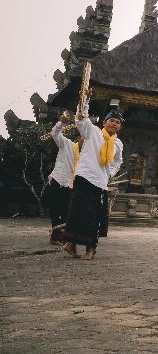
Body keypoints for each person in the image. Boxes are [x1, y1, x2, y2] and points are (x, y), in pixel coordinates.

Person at [62, 106, 124, 261]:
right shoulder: (93, 132)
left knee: (94, 217)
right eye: (111, 120)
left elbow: (118, 161)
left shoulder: (118, 144)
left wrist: (111, 173)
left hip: (100, 182)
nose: (114, 124)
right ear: (104, 122)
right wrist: (85, 104)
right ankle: (71, 244)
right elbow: (81, 119)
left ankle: (91, 249)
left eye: (117, 122)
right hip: (84, 177)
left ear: (120, 126)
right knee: (77, 213)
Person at [45, 112, 83, 245]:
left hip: (71, 184)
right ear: (78, 138)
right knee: (55, 210)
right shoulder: (67, 144)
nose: (84, 141)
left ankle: (61, 236)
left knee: (67, 211)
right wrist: (61, 123)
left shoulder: (86, 155)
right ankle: (56, 237)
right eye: (82, 138)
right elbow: (54, 133)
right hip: (58, 180)